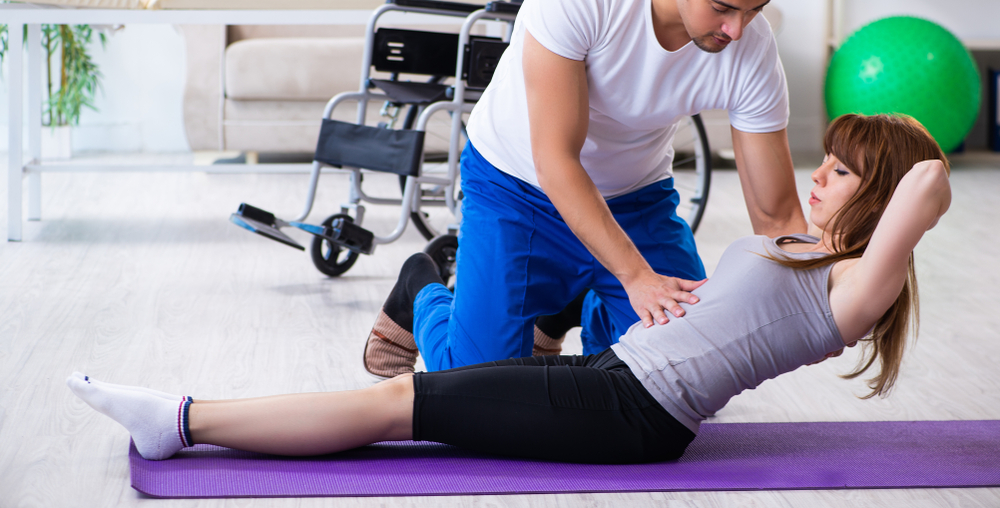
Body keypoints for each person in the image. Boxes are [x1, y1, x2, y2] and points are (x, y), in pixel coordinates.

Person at [69, 114, 951, 465]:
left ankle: (180, 420)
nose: (820, 178)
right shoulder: (797, 245)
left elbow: (929, 187)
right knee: (405, 402)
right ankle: (184, 417)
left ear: (876, 197)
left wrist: (908, 162)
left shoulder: (852, 290)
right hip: (619, 381)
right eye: (826, 163)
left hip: (631, 412)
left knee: (396, 405)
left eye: (842, 173)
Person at [363, 0, 807, 379]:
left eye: (754, 9)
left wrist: (833, 298)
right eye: (722, 7)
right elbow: (556, 160)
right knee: (476, 382)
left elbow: (776, 214)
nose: (737, 31)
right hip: (518, 187)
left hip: (636, 199)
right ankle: (420, 290)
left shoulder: (752, 49)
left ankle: (582, 300)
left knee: (686, 371)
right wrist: (637, 278)